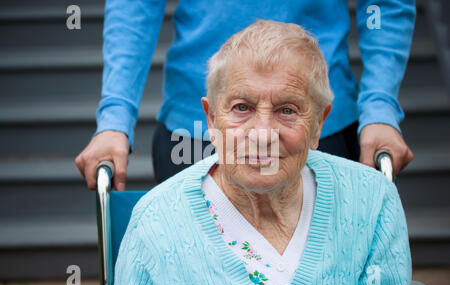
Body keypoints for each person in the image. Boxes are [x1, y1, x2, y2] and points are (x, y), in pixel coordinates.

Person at [114, 21, 412, 285]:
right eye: (242, 107)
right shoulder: (155, 224)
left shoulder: (372, 202)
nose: (263, 134)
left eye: (287, 110)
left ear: (319, 124)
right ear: (212, 118)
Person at [75, 0, 415, 189]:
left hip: (314, 122)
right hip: (195, 130)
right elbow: (135, 8)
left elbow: (386, 5)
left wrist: (380, 106)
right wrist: (115, 118)